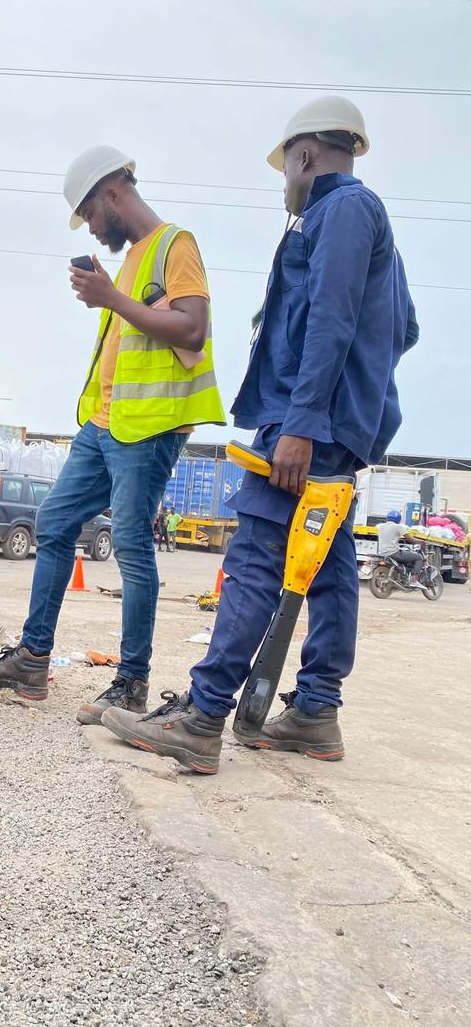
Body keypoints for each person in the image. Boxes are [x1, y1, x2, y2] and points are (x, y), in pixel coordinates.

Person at [101, 96, 420, 772]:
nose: (284, 185)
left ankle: (203, 716)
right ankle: (316, 712)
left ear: (304, 155)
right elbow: (405, 327)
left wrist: (304, 421)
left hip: (307, 423)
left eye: (285, 171)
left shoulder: (342, 209)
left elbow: (331, 318)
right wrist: (357, 396)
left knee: (255, 555)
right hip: (334, 423)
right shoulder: (360, 221)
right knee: (329, 565)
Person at [0, 144, 225, 714]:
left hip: (148, 428)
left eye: (89, 214)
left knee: (130, 543)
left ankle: (131, 683)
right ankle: (33, 660)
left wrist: (110, 297)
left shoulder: (175, 245)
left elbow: (192, 329)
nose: (90, 227)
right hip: (104, 424)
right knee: (55, 522)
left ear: (112, 194)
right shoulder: (131, 260)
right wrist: (110, 293)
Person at [376, 510, 424, 585]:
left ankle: (403, 575)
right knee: (419, 557)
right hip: (394, 553)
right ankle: (414, 581)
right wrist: (422, 542)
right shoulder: (398, 527)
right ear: (398, 519)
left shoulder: (380, 526)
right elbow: (410, 539)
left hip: (381, 553)